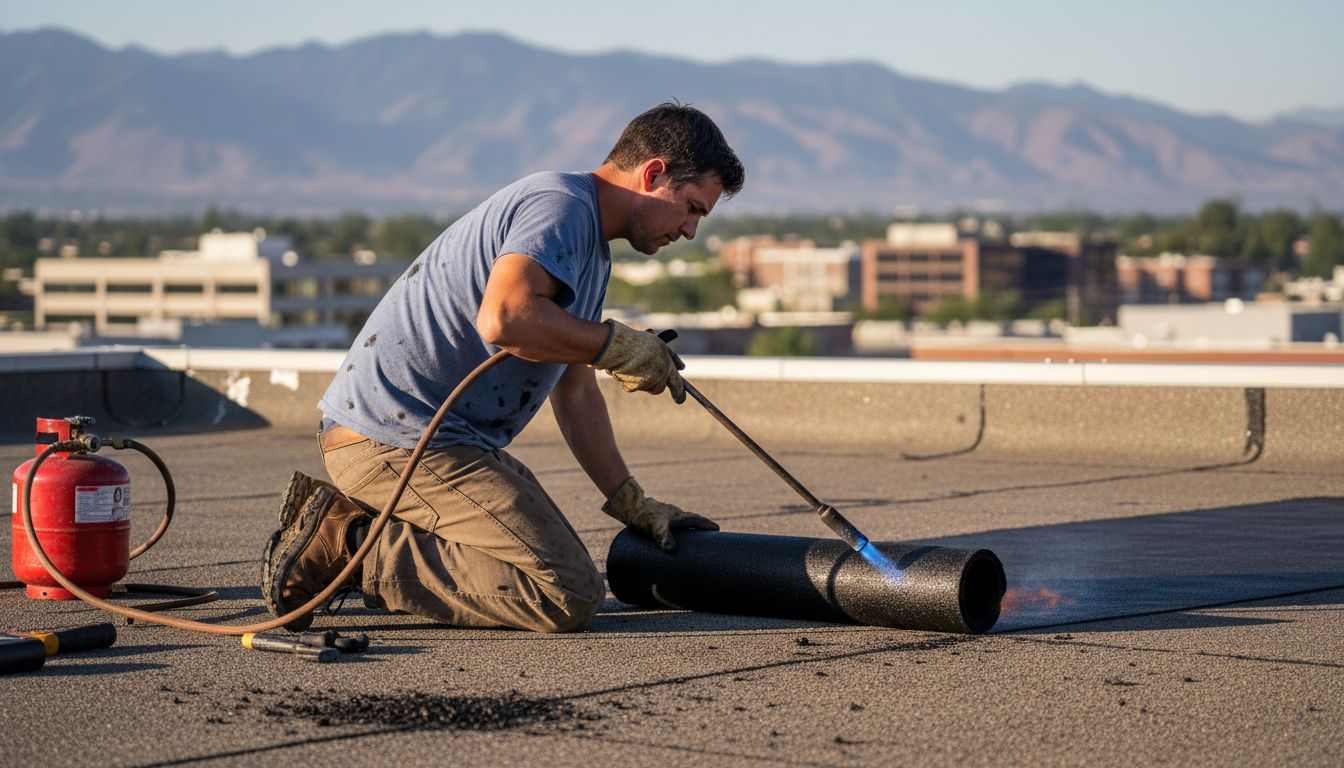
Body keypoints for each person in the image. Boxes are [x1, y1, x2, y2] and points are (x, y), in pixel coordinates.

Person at [261, 103, 745, 633]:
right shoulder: (559, 205)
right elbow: (506, 318)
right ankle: (347, 544)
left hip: (439, 444)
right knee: (567, 593)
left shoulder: (588, 248)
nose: (692, 230)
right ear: (653, 174)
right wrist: (613, 343)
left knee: (551, 571)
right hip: (394, 443)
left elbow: (576, 392)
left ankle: (374, 531)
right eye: (693, 207)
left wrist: (630, 501)